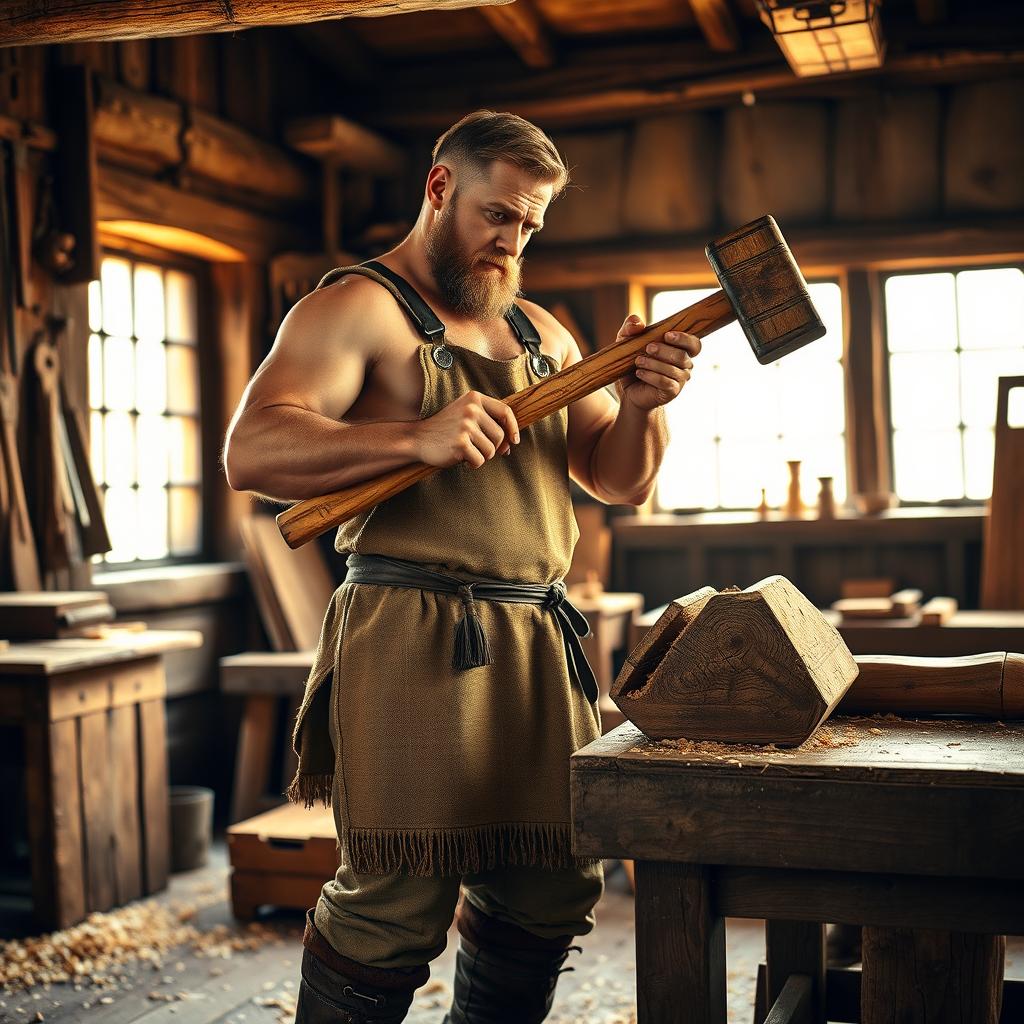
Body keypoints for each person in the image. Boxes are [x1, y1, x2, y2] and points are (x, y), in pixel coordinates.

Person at [224, 109, 701, 1024]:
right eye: (498, 215)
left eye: (530, 224)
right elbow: (252, 451)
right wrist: (416, 434)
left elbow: (616, 479)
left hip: (534, 636)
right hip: (412, 633)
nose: (511, 240)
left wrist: (645, 404)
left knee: (549, 889)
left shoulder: (544, 336)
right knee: (394, 901)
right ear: (440, 188)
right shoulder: (355, 307)